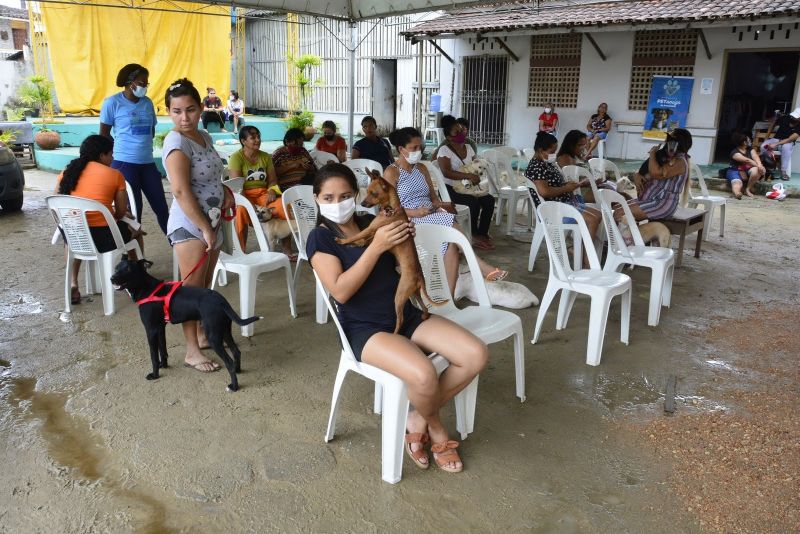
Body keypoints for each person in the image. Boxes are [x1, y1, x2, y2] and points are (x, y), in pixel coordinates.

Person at [307, 163, 489, 473]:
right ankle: (437, 428)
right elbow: (341, 292)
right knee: (423, 375)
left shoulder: (376, 218)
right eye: (329, 197)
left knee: (475, 354)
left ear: (361, 193)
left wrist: (404, 239)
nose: (338, 204)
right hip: (364, 329)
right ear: (317, 199)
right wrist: (377, 247)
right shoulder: (320, 239)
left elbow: (403, 260)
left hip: (405, 313)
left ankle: (418, 415)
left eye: (346, 195)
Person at [163, 78, 234, 373]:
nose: (184, 118)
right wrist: (204, 227)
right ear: (168, 112)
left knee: (203, 287)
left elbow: (213, 176)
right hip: (191, 226)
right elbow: (180, 191)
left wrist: (226, 192)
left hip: (212, 221)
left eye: (190, 110)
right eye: (177, 111)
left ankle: (203, 336)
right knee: (190, 292)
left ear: (201, 107)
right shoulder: (175, 142)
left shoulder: (204, 136)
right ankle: (191, 351)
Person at [385, 126, 508, 295]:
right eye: (413, 148)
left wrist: (440, 205)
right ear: (401, 149)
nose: (418, 151)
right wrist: (415, 213)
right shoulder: (392, 172)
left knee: (450, 244)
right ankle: (480, 266)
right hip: (409, 219)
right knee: (449, 220)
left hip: (430, 213)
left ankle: (447, 296)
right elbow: (389, 209)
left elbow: (433, 198)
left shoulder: (421, 169)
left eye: (419, 147)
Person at [56, 135, 142, 305]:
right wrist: (123, 215)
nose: (113, 158)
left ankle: (73, 282)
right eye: (111, 154)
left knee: (76, 233)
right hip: (104, 240)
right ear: (102, 155)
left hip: (75, 238)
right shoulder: (114, 175)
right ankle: (137, 280)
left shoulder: (66, 173)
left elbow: (57, 206)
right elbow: (120, 213)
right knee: (136, 232)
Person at [100, 63, 169, 234]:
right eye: (142, 83)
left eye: (147, 83)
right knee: (132, 214)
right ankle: (134, 259)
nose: (145, 86)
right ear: (131, 83)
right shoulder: (112, 103)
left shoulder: (147, 103)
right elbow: (104, 135)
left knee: (162, 209)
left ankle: (178, 249)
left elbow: (151, 131)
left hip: (147, 164)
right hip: (124, 165)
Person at [525, 132, 602, 245]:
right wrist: (566, 188)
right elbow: (544, 192)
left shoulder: (547, 163)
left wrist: (568, 185)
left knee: (598, 215)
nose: (554, 155)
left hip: (563, 205)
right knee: (593, 220)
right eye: (552, 152)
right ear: (541, 150)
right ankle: (586, 259)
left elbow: (554, 184)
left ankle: (580, 252)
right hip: (552, 211)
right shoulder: (537, 167)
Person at [436, 115, 496, 251]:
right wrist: (468, 175)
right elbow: (446, 172)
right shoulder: (444, 150)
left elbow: (476, 164)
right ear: (449, 138)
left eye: (461, 130)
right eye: (456, 132)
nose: (461, 133)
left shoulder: (468, 147)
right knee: (472, 202)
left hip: (468, 187)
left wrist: (480, 172)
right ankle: (473, 235)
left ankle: (482, 233)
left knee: (489, 200)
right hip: (450, 189)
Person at [228, 126, 284, 251]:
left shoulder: (265, 157)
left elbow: (273, 179)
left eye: (258, 136)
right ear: (243, 141)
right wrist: (248, 203)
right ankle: (239, 250)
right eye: (253, 137)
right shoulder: (236, 157)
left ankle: (287, 248)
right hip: (243, 195)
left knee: (282, 206)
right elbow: (237, 185)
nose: (257, 140)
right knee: (242, 211)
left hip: (263, 194)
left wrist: (271, 190)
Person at [630, 128, 693, 220]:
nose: (667, 142)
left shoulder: (680, 161)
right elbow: (647, 170)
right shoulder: (664, 155)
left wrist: (652, 154)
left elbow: (655, 173)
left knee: (619, 213)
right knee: (616, 208)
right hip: (649, 199)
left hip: (661, 203)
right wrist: (637, 174)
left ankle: (630, 234)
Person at [762, 107, 799, 181]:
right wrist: (766, 138)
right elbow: (773, 124)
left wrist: (776, 144)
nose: (793, 118)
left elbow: (790, 139)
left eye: (795, 117)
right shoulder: (785, 118)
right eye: (792, 116)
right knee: (763, 146)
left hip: (788, 142)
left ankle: (783, 171)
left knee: (786, 147)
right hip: (776, 139)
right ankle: (768, 168)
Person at [726, 132, 766, 199]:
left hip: (746, 170)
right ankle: (737, 193)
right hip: (734, 171)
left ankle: (747, 189)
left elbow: (756, 157)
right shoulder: (734, 153)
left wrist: (760, 165)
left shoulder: (750, 149)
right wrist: (760, 167)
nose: (750, 141)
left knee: (757, 170)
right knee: (737, 183)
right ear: (744, 142)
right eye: (748, 140)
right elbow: (748, 161)